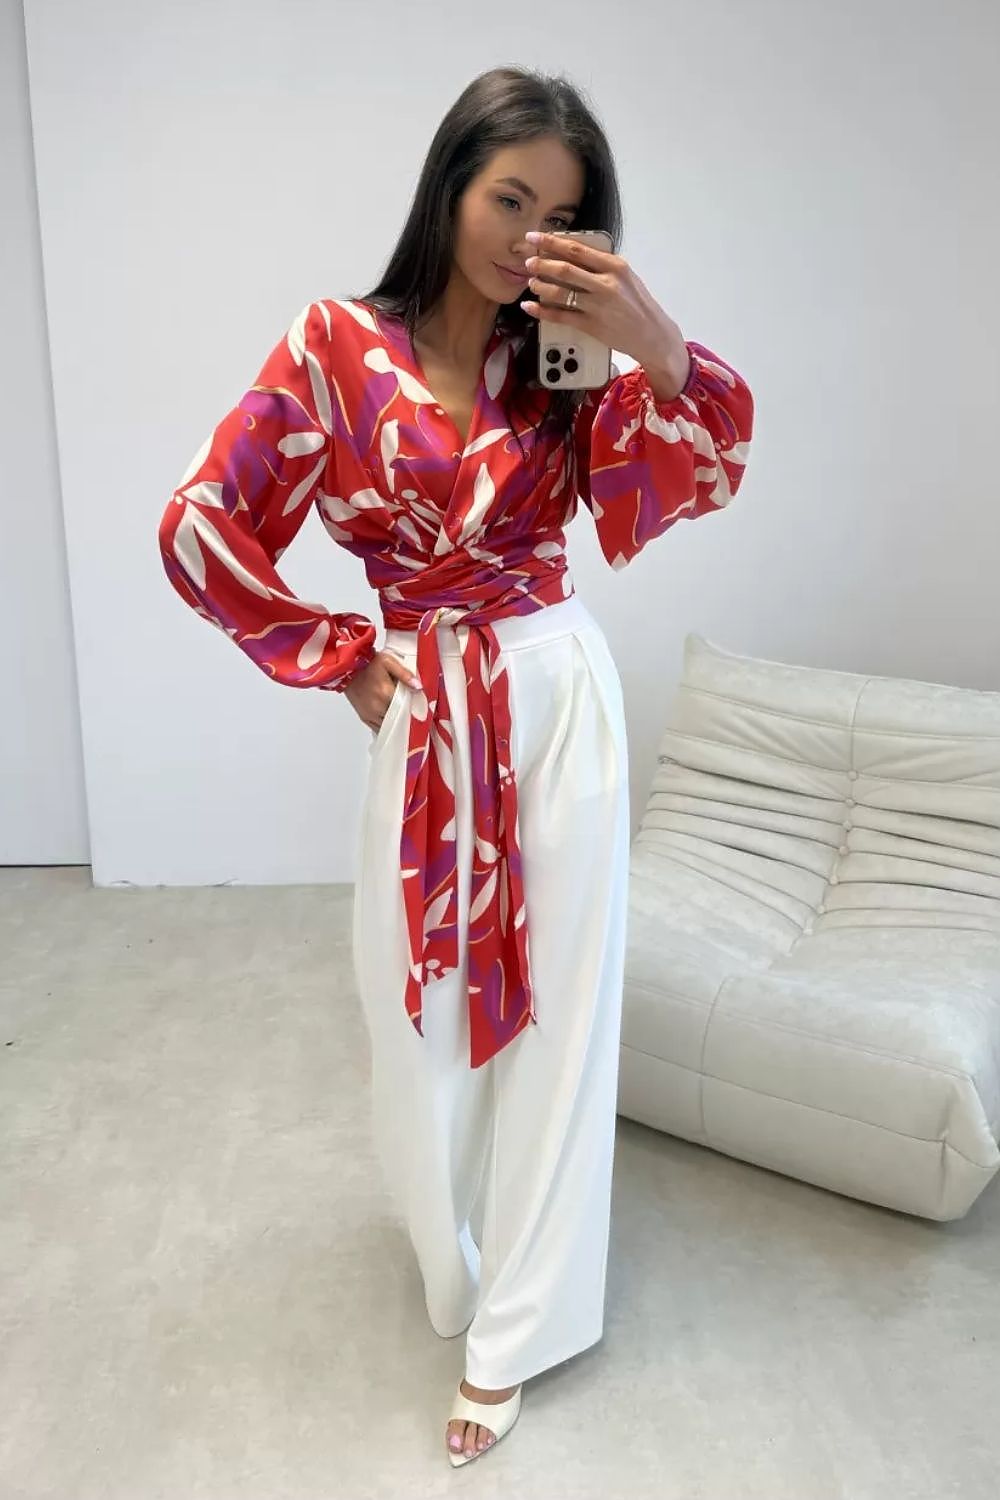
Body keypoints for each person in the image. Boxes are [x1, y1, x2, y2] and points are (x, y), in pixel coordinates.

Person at [157, 65, 753, 1467]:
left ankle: (520, 1331)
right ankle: (453, 1259)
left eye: (563, 215)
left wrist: (644, 329)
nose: (526, 233)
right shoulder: (333, 349)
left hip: (558, 698)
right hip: (433, 713)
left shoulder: (565, 359)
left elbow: (690, 479)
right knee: (412, 1017)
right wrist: (344, 658)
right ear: (450, 184)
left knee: (561, 1032)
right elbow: (199, 526)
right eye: (508, 197)